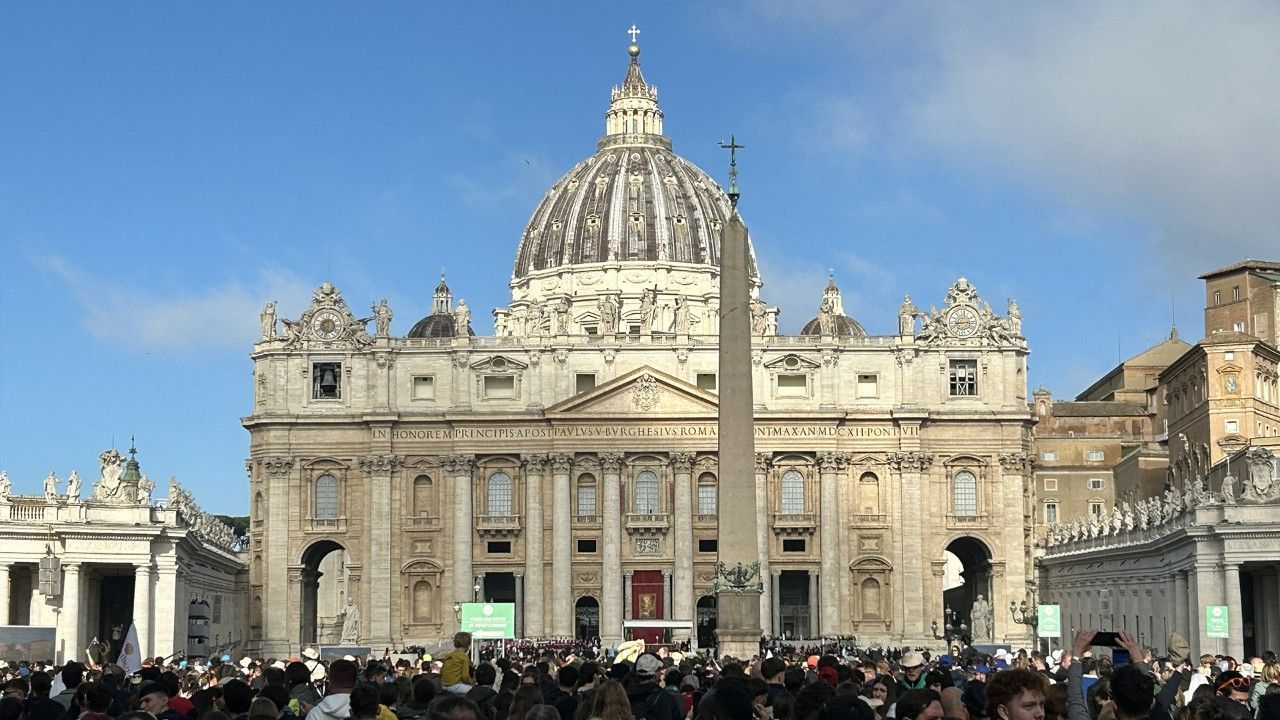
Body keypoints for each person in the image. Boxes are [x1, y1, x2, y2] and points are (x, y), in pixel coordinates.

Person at [626, 653, 682, 720]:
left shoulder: (624, 696)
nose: (661, 672)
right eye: (659, 670)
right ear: (655, 674)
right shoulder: (665, 698)